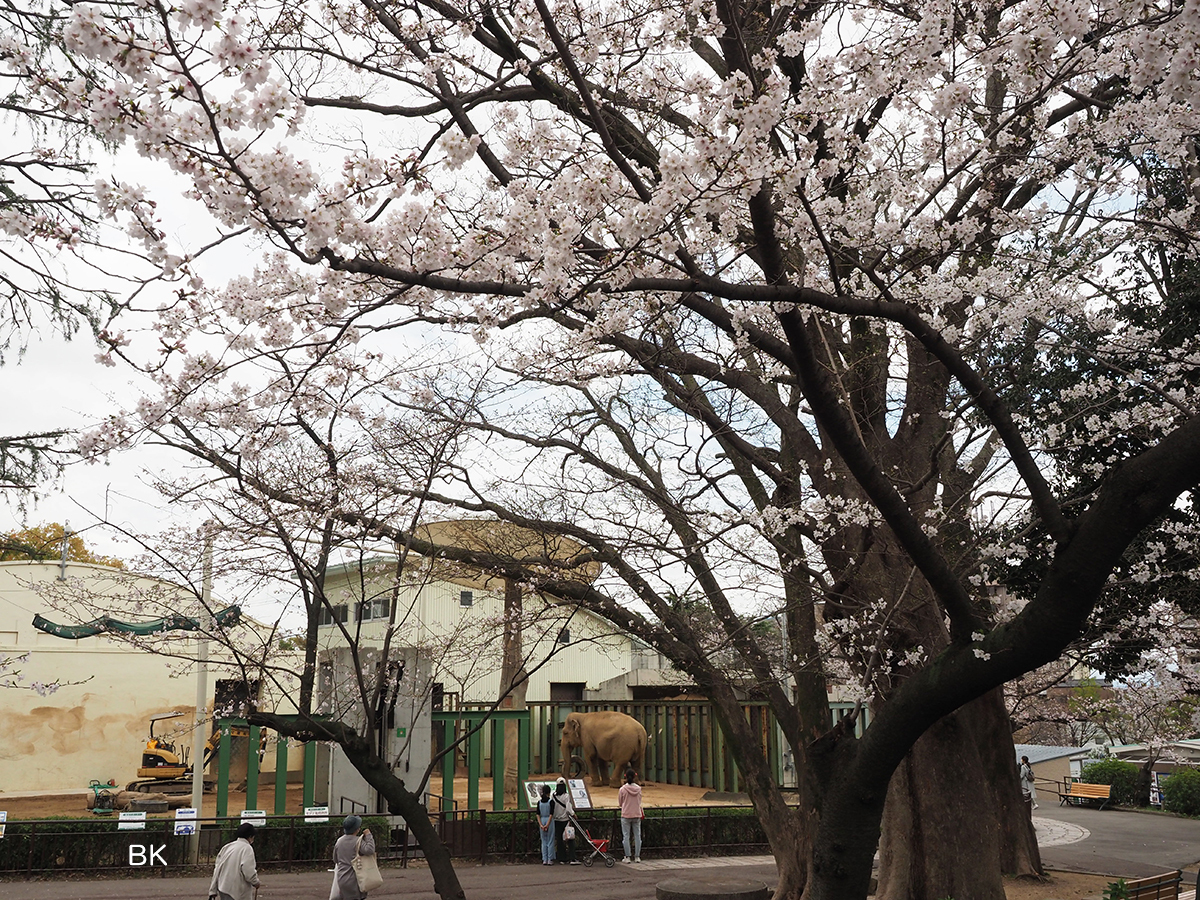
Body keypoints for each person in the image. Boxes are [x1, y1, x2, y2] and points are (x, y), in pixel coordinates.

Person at [208, 822, 261, 900]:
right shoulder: (247, 848)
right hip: (237, 890)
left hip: (223, 887)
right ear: (250, 837)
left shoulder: (227, 847)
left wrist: (212, 890)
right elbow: (248, 871)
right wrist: (256, 882)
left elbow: (217, 869)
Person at [331, 814, 376, 900]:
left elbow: (335, 859)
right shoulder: (357, 841)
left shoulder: (339, 841)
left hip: (342, 877)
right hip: (356, 878)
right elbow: (370, 850)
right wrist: (368, 835)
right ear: (357, 829)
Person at [618, 768, 644, 863]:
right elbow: (639, 801)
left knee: (626, 836)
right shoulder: (638, 789)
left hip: (626, 814)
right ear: (635, 776)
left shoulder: (622, 789)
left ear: (625, 776)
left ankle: (627, 857)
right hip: (636, 814)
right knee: (637, 836)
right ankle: (637, 856)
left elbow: (620, 803)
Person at [552, 777, 578, 864]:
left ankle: (561, 858)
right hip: (566, 820)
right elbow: (568, 808)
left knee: (559, 840)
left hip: (556, 820)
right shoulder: (566, 796)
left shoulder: (553, 796)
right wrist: (573, 814)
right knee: (570, 839)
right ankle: (572, 858)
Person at [536, 784, 556, 865]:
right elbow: (551, 814)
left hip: (542, 819)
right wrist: (547, 824)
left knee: (543, 840)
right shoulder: (551, 802)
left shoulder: (539, 802)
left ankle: (544, 859)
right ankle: (550, 859)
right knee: (550, 840)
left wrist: (541, 824)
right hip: (549, 820)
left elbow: (537, 814)